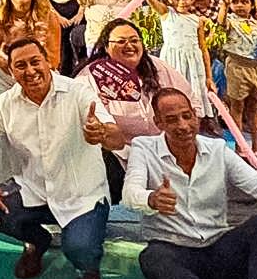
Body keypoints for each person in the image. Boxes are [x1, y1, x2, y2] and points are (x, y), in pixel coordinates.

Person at [0, 38, 120, 279]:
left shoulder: (78, 92)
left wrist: (101, 133)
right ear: (11, 72)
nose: (30, 71)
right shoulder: (5, 104)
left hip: (82, 196)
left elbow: (116, 136)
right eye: (20, 65)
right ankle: (37, 242)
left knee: (79, 249)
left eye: (35, 61)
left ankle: (87, 265)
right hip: (33, 191)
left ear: (49, 62)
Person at [126, 88, 257, 279]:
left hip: (218, 254)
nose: (183, 126)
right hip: (175, 257)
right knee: (152, 257)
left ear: (196, 115)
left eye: (187, 116)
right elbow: (130, 193)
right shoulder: (144, 148)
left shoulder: (217, 149)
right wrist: (151, 199)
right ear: (159, 123)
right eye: (172, 120)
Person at [76, 19, 197, 200]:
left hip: (166, 152)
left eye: (134, 40)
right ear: (106, 47)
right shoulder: (90, 77)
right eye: (121, 41)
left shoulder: (160, 68)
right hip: (118, 156)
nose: (129, 46)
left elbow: (193, 104)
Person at [218, 0, 257, 158]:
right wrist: (225, 6)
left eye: (245, 2)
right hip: (237, 67)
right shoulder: (230, 21)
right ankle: (240, 146)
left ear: (252, 5)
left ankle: (256, 146)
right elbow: (220, 23)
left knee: (254, 107)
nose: (240, 5)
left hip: (256, 68)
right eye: (235, 2)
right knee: (237, 106)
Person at [152, 0, 213, 121]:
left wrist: (209, 77)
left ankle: (194, 121)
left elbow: (203, 48)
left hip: (193, 63)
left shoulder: (197, 20)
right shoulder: (167, 13)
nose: (181, 2)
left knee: (193, 92)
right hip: (173, 60)